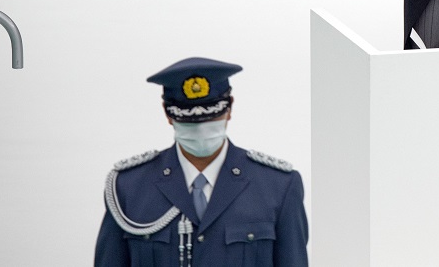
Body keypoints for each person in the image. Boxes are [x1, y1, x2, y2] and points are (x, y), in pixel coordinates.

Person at [94, 57, 309, 266]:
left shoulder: (278, 186)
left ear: (230, 108)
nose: (200, 130)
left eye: (210, 118)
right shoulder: (128, 187)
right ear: (168, 115)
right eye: (188, 121)